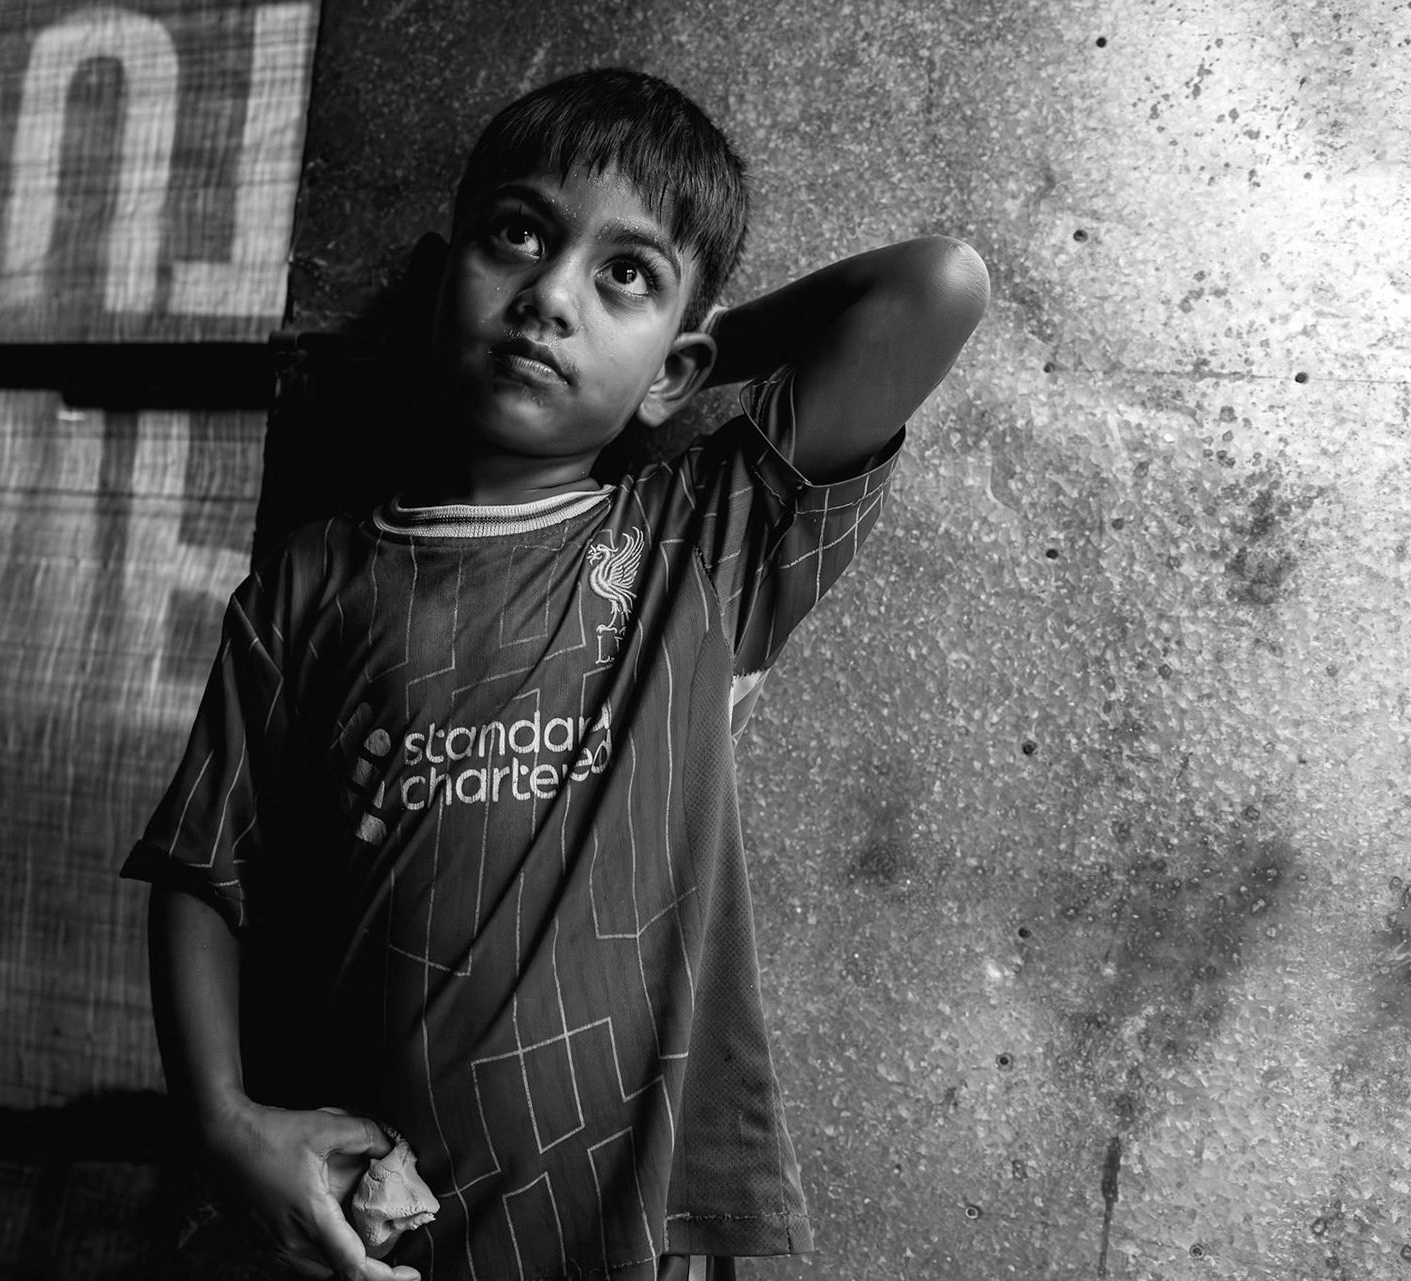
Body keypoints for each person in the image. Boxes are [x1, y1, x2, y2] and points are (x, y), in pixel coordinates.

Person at [127, 68, 989, 1281]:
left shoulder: (697, 549)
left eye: (621, 274)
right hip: (365, 1223)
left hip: (629, 1227)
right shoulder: (311, 581)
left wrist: (671, 366)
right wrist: (224, 1124)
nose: (548, 296)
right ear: (441, 280)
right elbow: (201, 868)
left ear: (683, 371)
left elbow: (936, 286)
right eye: (519, 235)